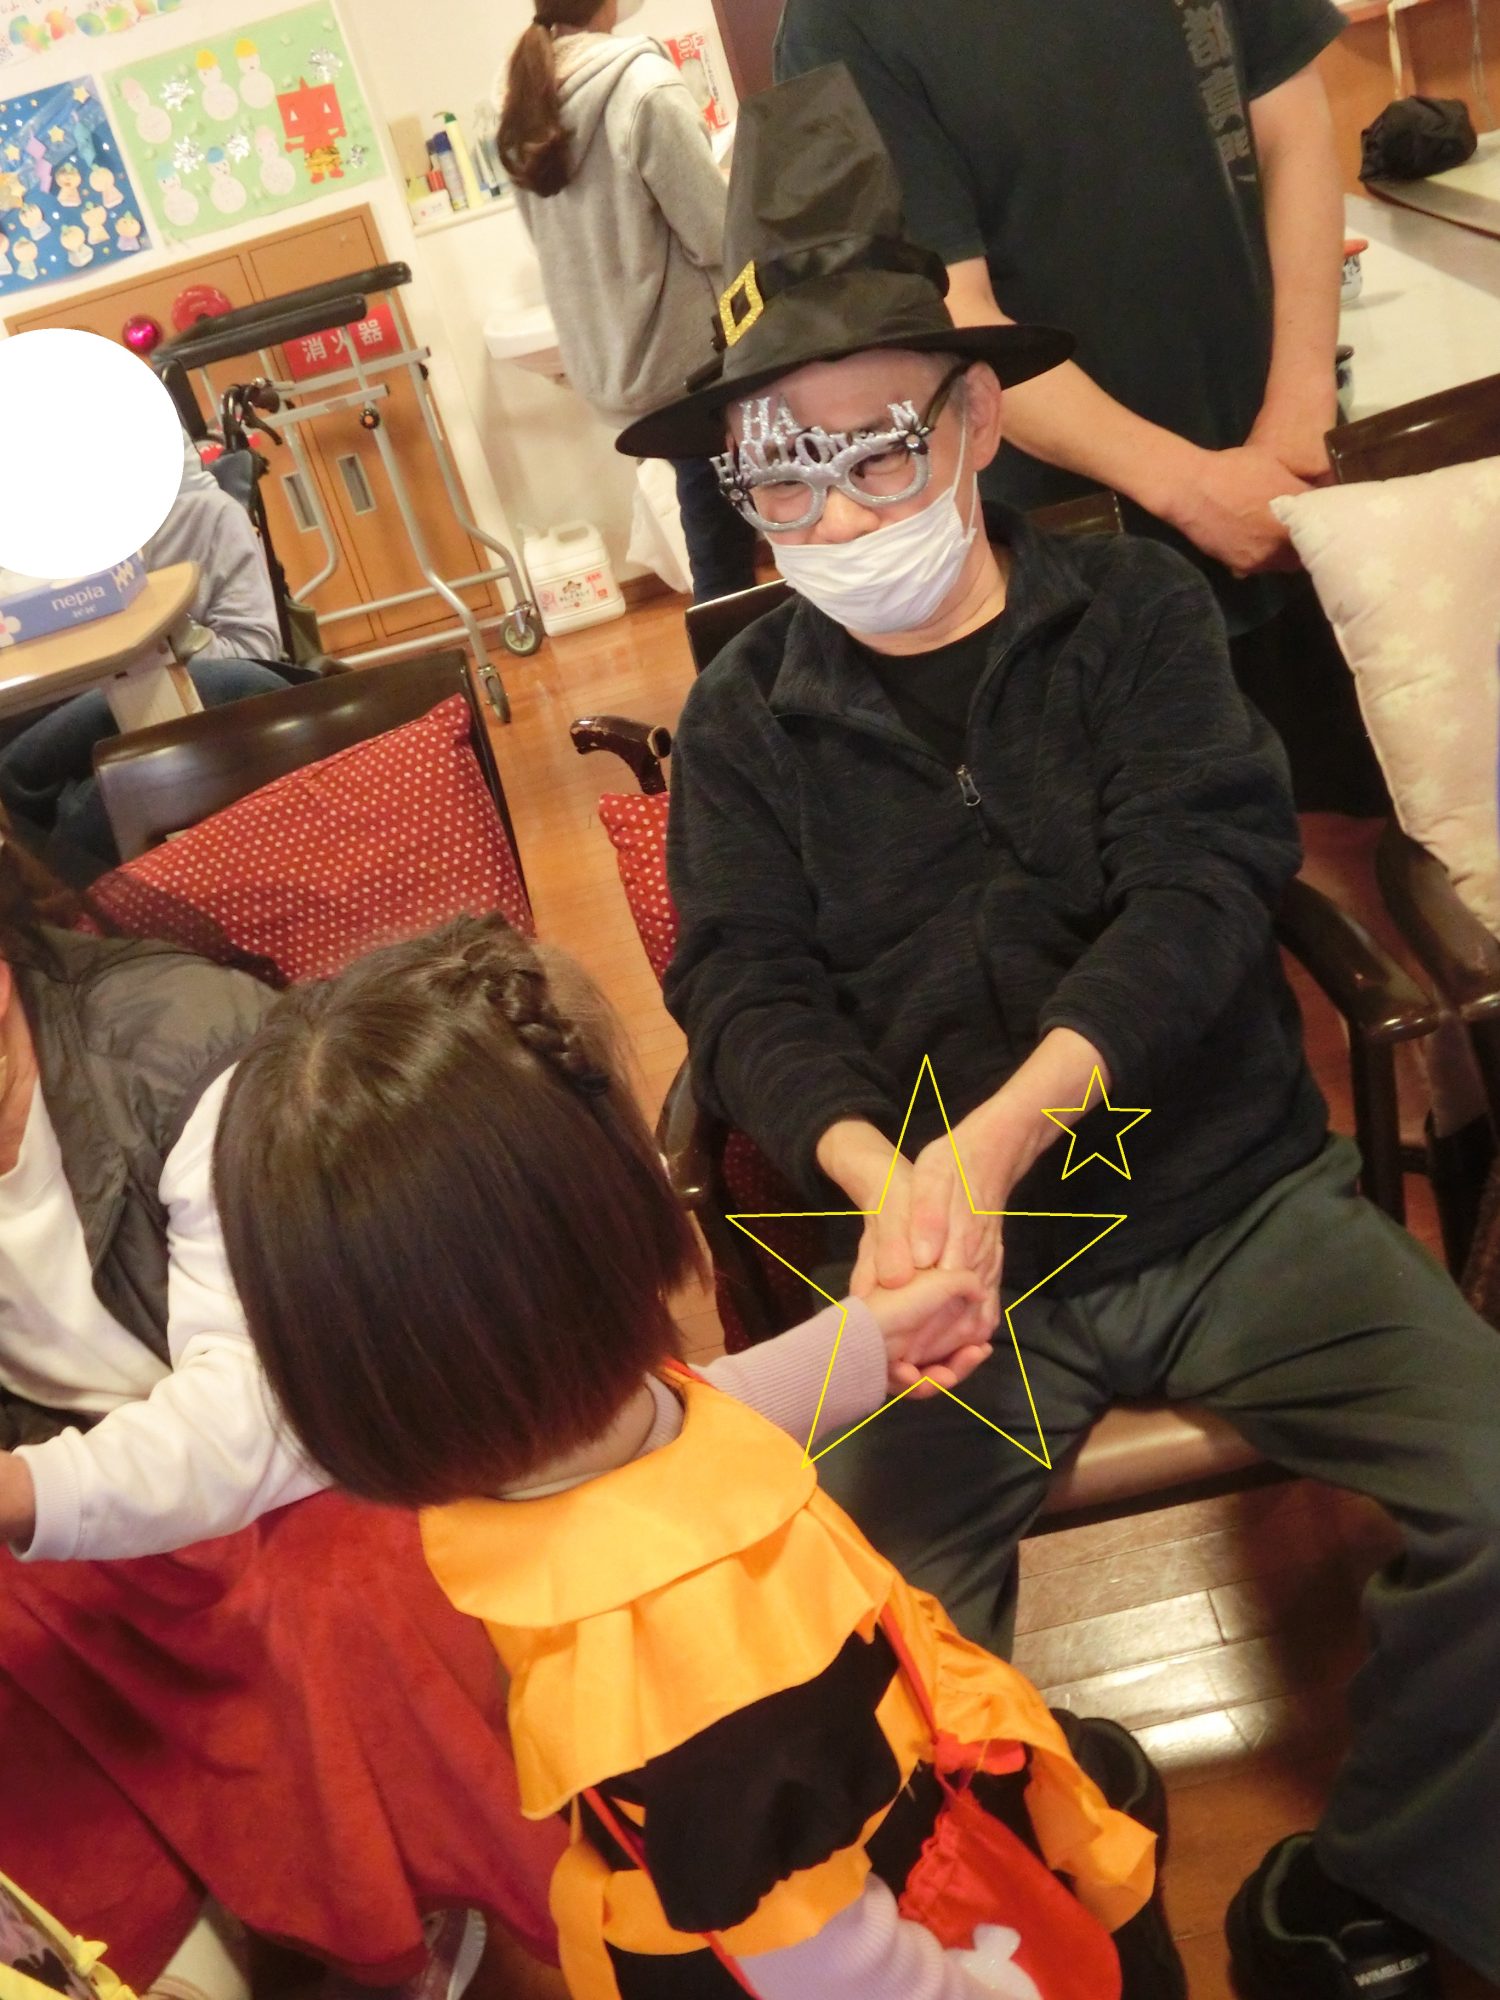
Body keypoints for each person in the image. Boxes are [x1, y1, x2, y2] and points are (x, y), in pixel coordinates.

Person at [617, 69, 1500, 2000]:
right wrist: (885, 1179)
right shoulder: (746, 726)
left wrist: (1004, 1133)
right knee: (853, 1662)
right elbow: (743, 987)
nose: (833, 512)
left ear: (975, 418)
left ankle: (1372, 1887)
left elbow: (1203, 888)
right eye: (779, 470)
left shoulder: (1133, 620)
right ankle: (1055, 1911)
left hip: (1232, 1207)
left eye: (876, 451)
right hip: (940, 1287)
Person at [212, 909, 1183, 2000]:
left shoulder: (514, 1458)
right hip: (907, 1926)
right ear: (625, 1220)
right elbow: (837, 1965)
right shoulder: (708, 1686)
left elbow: (689, 1430)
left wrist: (867, 1344)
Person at [0, 829, 562, 1995]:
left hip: (330, 1438)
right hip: (93, 1491)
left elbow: (270, 1409)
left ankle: (475, 1932)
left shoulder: (184, 1045)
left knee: (338, 1600)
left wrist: (20, 1493)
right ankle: (146, 1958)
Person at [774, 1, 1386, 815]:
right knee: (1173, 852)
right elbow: (946, 311)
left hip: (1293, 481)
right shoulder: (841, 21)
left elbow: (1291, 122)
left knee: (1376, 823)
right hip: (1080, 556)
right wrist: (1196, 491)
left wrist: (1301, 407)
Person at [498, 0, 759, 603]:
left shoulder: (524, 105)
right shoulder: (644, 88)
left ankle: (742, 658)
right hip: (695, 366)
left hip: (620, 369)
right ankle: (744, 665)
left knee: (713, 538)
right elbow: (715, 235)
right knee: (732, 553)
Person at [0, 435, 290, 875]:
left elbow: (252, 652)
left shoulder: (205, 518)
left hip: (182, 702)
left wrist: (154, 637)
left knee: (119, 781)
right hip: (40, 719)